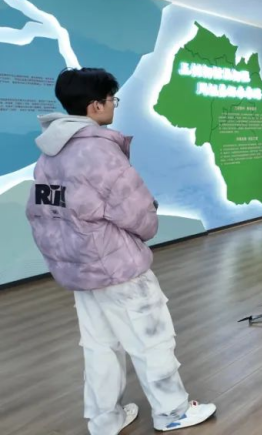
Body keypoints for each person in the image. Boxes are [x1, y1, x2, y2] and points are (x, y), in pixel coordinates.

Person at [25, 68, 216, 434]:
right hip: (118, 268)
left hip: (81, 273)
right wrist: (148, 220)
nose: (114, 104)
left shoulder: (48, 155)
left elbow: (43, 213)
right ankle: (172, 412)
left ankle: (105, 420)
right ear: (95, 106)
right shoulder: (99, 152)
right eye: (112, 99)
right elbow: (139, 215)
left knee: (99, 348)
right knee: (152, 340)